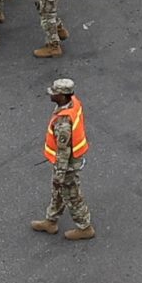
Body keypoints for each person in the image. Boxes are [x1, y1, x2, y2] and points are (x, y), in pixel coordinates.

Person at [33, 78, 95, 240]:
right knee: (58, 192)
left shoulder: (63, 123)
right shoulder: (73, 102)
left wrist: (59, 174)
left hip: (67, 164)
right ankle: (51, 221)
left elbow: (63, 152)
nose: (51, 96)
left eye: (54, 93)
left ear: (63, 96)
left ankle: (85, 227)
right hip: (71, 159)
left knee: (71, 195)